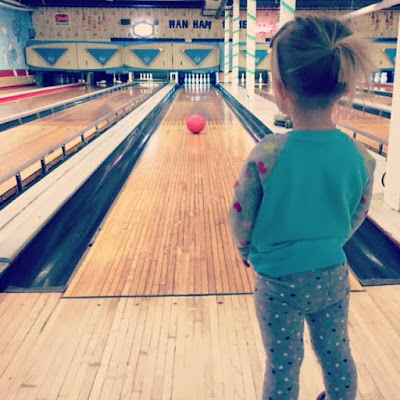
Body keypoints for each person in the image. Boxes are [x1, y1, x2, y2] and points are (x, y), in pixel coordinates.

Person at [229, 16, 376, 400]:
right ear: (344, 85)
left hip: (277, 282)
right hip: (332, 274)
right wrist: (330, 242)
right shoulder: (360, 155)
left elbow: (241, 214)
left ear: (280, 89)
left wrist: (246, 251)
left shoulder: (267, 153)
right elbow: (359, 211)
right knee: (337, 354)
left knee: (283, 364)